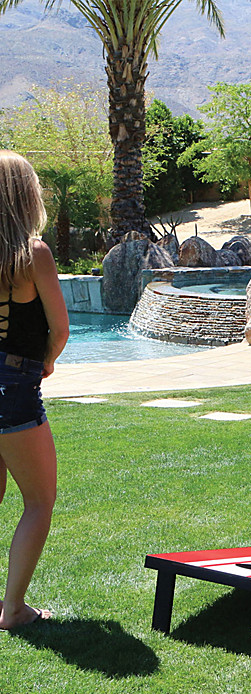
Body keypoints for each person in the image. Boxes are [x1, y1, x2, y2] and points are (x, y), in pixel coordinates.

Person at [0, 151, 69, 629]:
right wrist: (46, 359)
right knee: (39, 500)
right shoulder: (33, 254)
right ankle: (15, 609)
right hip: (14, 386)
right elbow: (60, 328)